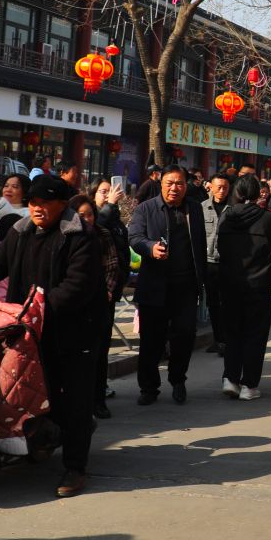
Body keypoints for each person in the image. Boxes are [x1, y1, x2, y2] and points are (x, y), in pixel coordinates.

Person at [0, 174, 104, 497]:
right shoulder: (21, 234)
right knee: (25, 393)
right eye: (32, 203)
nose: (37, 209)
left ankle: (75, 468)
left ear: (62, 204)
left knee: (72, 400)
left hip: (72, 333)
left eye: (44, 203)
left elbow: (77, 286)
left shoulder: (81, 236)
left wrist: (40, 309)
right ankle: (35, 442)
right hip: (26, 331)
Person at [127, 165, 207, 405]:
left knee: (185, 335)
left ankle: (178, 379)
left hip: (185, 285)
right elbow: (134, 237)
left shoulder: (194, 209)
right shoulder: (146, 209)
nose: (175, 188)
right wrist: (150, 248)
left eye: (179, 183)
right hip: (154, 284)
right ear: (160, 184)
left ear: (186, 185)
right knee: (152, 339)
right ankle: (149, 387)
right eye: (170, 183)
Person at [216, 174, 271, 400]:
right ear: (258, 194)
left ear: (236, 192)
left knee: (233, 332)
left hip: (229, 283)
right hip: (258, 285)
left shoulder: (226, 217)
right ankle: (249, 385)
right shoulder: (266, 219)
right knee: (255, 335)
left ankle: (230, 378)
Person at [68, 194, 125, 419]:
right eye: (81, 215)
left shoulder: (103, 234)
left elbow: (113, 266)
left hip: (100, 302)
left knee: (99, 353)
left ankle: (98, 400)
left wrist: (107, 291)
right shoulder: (66, 235)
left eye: (89, 214)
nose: (86, 219)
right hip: (73, 304)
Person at [88, 178, 131, 416]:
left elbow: (122, 253)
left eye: (110, 192)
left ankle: (99, 394)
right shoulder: (95, 218)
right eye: (102, 192)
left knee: (103, 345)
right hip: (87, 294)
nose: (107, 195)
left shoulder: (115, 222)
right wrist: (110, 205)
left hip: (108, 292)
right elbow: (96, 227)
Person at [201, 173, 231, 356]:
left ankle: (226, 340)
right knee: (212, 303)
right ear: (210, 187)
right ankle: (217, 339)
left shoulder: (234, 209)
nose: (221, 191)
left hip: (227, 263)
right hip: (208, 262)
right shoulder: (201, 208)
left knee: (226, 303)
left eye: (225, 187)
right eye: (218, 187)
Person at [0, 172, 31, 240]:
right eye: (6, 186)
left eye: (15, 187)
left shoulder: (28, 213)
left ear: (24, 191)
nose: (8, 190)